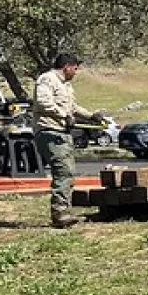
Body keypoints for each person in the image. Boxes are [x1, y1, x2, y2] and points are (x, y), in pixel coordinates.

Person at [33, 53, 102, 229]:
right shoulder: (47, 79)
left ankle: (64, 211)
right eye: (76, 68)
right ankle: (60, 214)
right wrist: (64, 116)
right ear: (67, 67)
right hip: (50, 132)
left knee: (68, 172)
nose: (76, 72)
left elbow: (72, 108)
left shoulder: (66, 86)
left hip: (62, 133)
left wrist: (91, 116)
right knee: (63, 171)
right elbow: (42, 103)